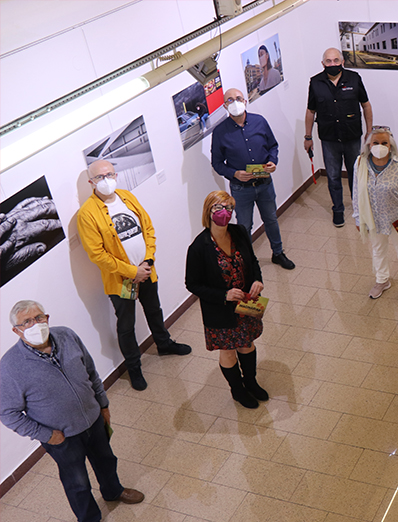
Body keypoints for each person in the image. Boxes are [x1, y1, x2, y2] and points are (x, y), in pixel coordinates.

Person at [0, 301, 144, 522]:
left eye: (39, 317)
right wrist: (46, 435)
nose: (35, 324)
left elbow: (90, 371)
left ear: (47, 317)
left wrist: (103, 404)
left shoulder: (66, 335)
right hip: (61, 438)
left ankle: (113, 491)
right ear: (16, 330)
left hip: (93, 419)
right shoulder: (10, 367)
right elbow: (7, 412)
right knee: (77, 481)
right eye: (27, 322)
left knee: (106, 460)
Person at [77, 160, 191, 391]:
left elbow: (147, 228)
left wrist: (147, 261)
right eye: (100, 177)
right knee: (126, 325)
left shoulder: (127, 197)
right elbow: (97, 254)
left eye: (109, 174)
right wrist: (132, 272)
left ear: (116, 175)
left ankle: (164, 344)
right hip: (121, 281)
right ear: (91, 182)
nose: (106, 180)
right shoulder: (87, 214)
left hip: (147, 270)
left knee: (154, 310)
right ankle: (134, 368)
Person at [185, 191, 268, 410]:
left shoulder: (239, 232)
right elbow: (192, 284)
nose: (225, 213)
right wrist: (224, 295)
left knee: (247, 343)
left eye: (229, 208)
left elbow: (253, 260)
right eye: (219, 208)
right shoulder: (198, 248)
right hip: (220, 311)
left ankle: (251, 381)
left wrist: (258, 280)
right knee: (229, 350)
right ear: (208, 211)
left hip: (246, 304)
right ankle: (237, 389)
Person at [210, 88, 295, 270]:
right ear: (225, 106)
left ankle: (278, 253)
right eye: (230, 100)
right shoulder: (220, 132)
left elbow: (273, 146)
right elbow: (217, 163)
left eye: (238, 98)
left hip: (264, 184)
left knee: (271, 219)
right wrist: (234, 173)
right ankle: (247, 261)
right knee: (244, 226)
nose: (235, 102)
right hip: (241, 189)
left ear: (246, 100)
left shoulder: (259, 121)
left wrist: (273, 161)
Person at [304, 47, 373, 227]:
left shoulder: (354, 78)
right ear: (323, 63)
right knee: (333, 177)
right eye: (329, 61)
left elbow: (366, 105)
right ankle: (338, 210)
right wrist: (308, 136)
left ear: (342, 62)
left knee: (355, 175)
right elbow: (311, 111)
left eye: (336, 61)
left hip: (352, 136)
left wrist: (369, 131)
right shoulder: (315, 82)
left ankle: (359, 208)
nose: (332, 64)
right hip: (329, 139)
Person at [352, 126, 398, 304]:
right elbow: (356, 192)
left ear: (391, 145)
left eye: (384, 143)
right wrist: (358, 217)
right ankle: (382, 280)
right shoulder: (360, 164)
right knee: (378, 250)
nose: (380, 146)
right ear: (369, 144)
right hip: (373, 219)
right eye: (376, 142)